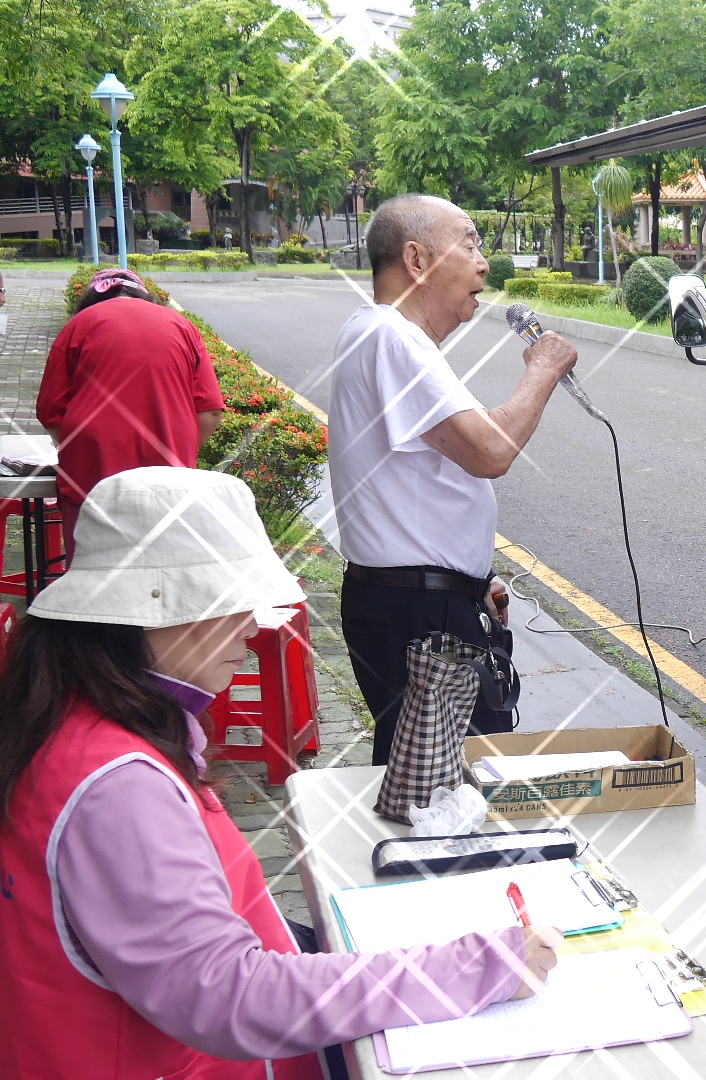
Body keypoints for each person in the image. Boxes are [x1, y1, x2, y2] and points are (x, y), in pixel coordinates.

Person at [0, 467, 561, 1077]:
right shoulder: (117, 787)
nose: (251, 625)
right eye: (227, 601)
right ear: (148, 609)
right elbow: (229, 993)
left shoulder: (73, 714)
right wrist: (480, 967)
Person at [328, 194, 578, 765]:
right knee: (452, 784)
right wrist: (543, 369)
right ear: (416, 260)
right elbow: (488, 450)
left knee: (424, 771)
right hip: (418, 614)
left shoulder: (377, 333)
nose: (483, 262)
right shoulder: (392, 337)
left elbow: (419, 472)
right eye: (469, 244)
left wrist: (468, 578)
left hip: (419, 601)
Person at [37, 267, 225, 555]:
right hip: (169, 482)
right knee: (163, 572)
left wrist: (77, 446)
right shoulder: (182, 326)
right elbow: (210, 411)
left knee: (92, 573)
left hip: (91, 477)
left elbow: (50, 410)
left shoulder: (78, 325)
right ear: (142, 294)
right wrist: (174, 446)